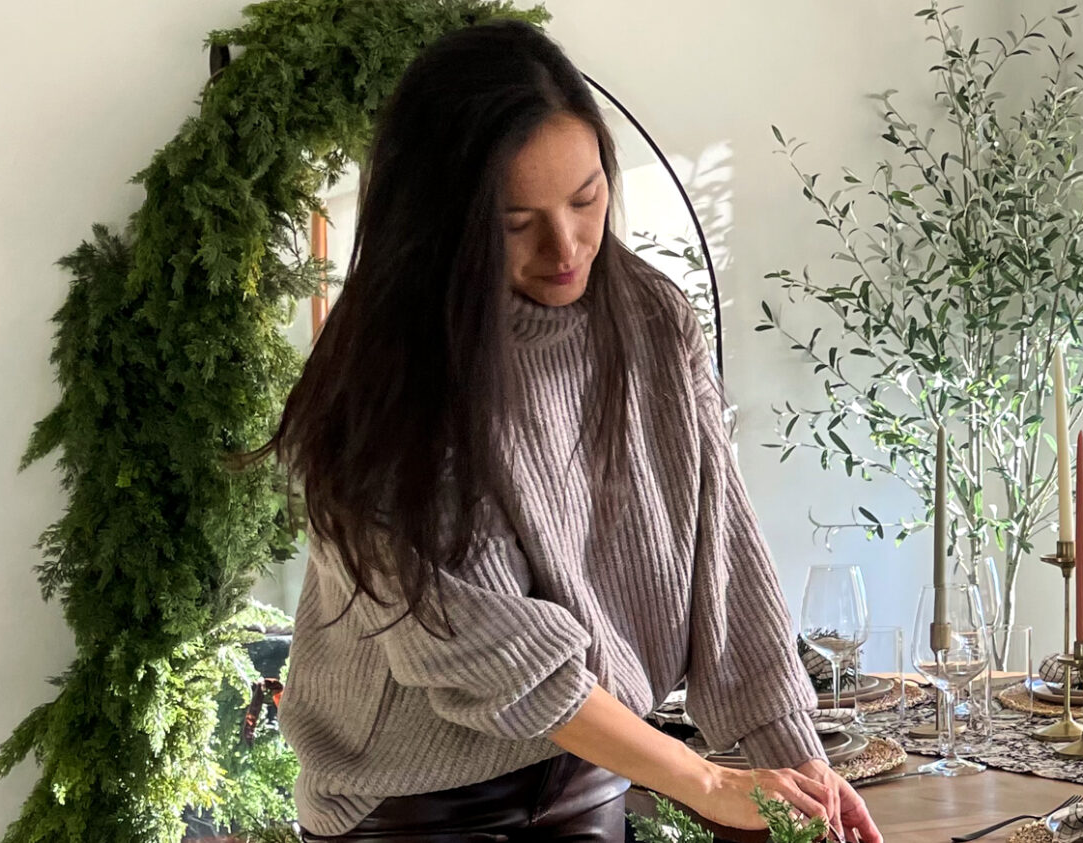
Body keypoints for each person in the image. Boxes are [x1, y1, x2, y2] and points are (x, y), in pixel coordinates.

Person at [260, 21, 880, 842]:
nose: (567, 247)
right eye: (517, 222)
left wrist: (799, 780)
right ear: (442, 224)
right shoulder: (390, 388)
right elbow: (499, 655)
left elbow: (724, 560)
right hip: (418, 808)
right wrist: (707, 779)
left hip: (593, 778)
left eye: (587, 200)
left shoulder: (653, 318)